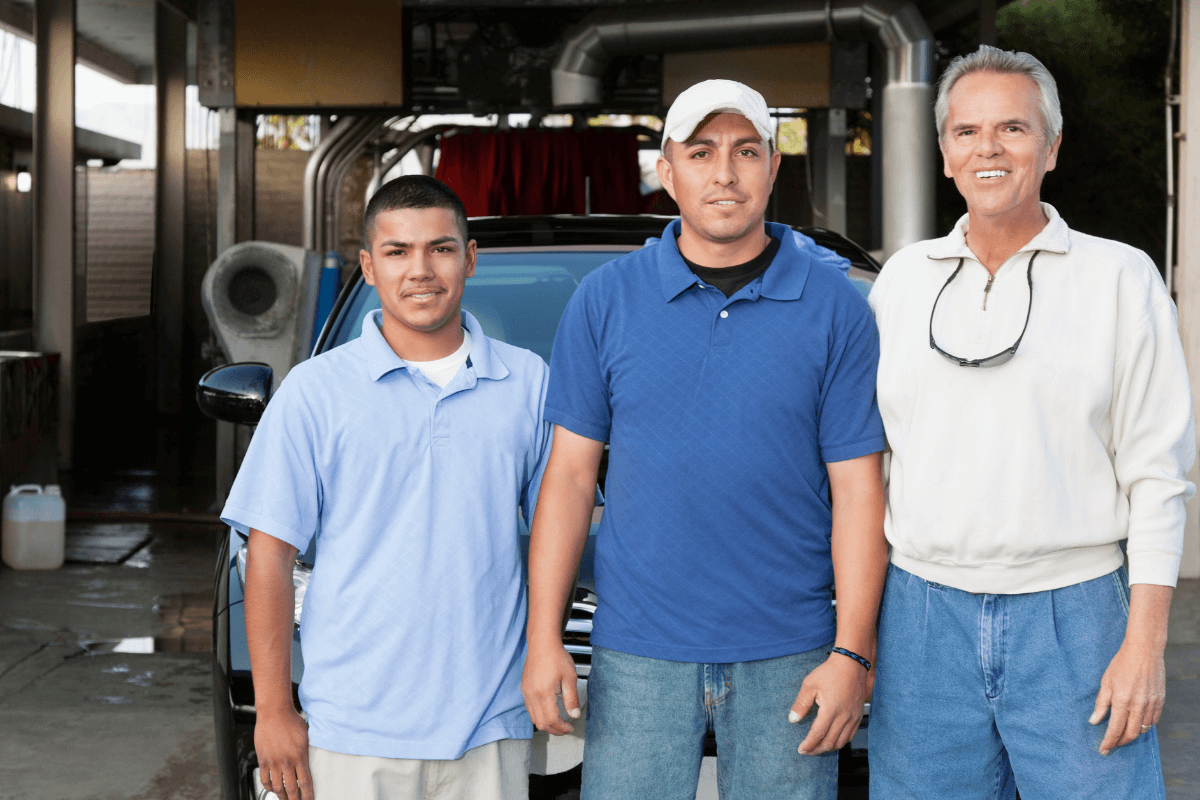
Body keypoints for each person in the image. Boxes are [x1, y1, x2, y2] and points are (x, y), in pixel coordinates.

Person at [521, 78, 888, 800]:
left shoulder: (837, 311)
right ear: (668, 170)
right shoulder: (604, 300)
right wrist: (544, 640)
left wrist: (854, 651)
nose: (725, 173)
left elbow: (858, 491)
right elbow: (567, 479)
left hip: (792, 650)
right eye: (702, 151)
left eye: (746, 151)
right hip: (638, 653)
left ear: (773, 168)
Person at [867, 45, 1196, 799]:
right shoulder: (900, 284)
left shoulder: (1120, 277)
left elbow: (1156, 475)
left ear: (1051, 146)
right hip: (920, 615)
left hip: (1077, 617)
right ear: (945, 151)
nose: (988, 148)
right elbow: (865, 469)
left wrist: (1144, 644)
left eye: (1013, 128)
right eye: (966, 131)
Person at [222, 175, 552, 800]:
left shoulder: (530, 383)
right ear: (370, 267)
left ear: (470, 258)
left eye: (441, 248)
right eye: (399, 252)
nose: (421, 270)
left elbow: (562, 532)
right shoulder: (313, 392)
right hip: (348, 729)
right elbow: (267, 553)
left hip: (489, 726)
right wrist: (274, 711)